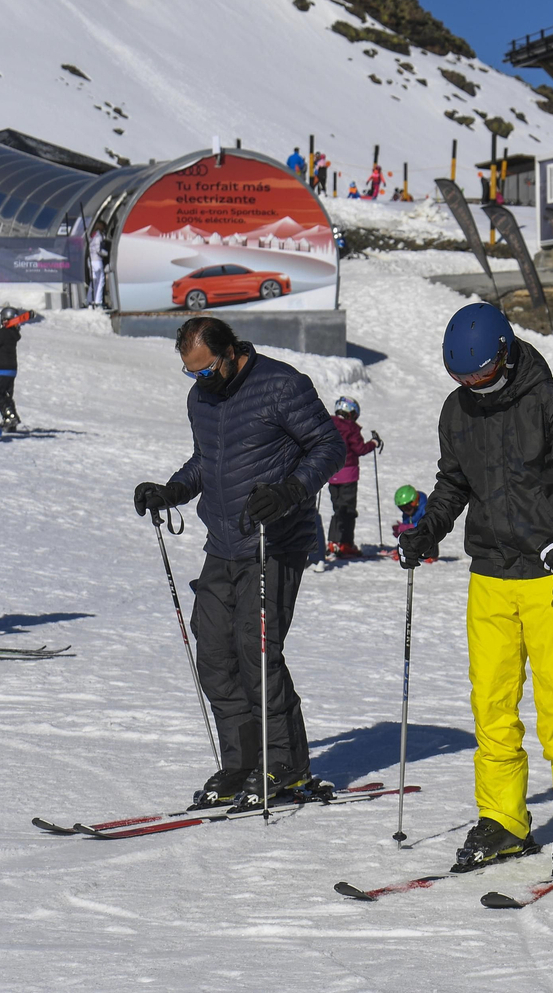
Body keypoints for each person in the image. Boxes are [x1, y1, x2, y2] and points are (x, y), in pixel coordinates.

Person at [397, 303, 553, 876]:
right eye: (460, 378)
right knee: (492, 704)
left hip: (550, 574)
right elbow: (454, 482)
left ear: (506, 353)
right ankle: (503, 820)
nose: (472, 385)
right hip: (489, 575)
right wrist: (427, 531)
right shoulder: (457, 411)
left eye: (480, 374)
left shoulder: (551, 402)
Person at [132, 317, 345, 805]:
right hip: (223, 544)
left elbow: (330, 445)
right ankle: (243, 763)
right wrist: (172, 490)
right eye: (192, 373)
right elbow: (206, 461)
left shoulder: (282, 386)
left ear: (230, 352)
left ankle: (285, 766)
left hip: (275, 541)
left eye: (206, 369)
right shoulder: (201, 398)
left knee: (257, 650)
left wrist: (291, 490)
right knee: (214, 653)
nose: (201, 380)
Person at [326, 396, 382, 557]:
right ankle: (345, 543)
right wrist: (374, 443)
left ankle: (333, 542)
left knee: (337, 508)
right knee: (348, 510)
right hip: (348, 476)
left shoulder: (328, 425)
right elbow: (360, 449)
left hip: (331, 474)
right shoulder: (350, 428)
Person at [0, 306, 28, 431]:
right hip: (11, 369)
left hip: (2, 368)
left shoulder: (3, 333)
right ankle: (12, 420)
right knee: (5, 395)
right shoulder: (12, 333)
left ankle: (10, 417)